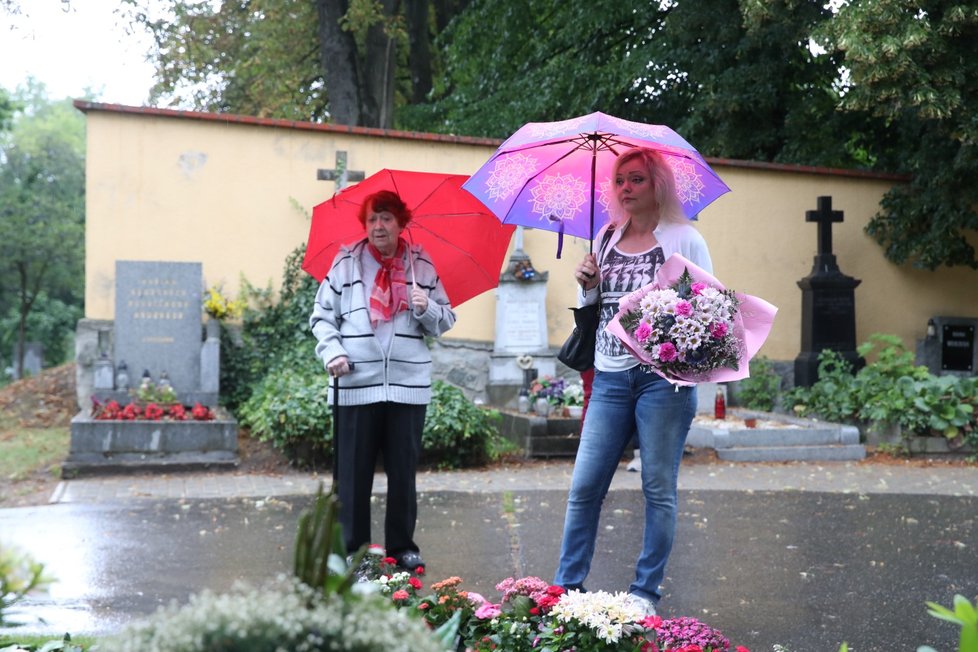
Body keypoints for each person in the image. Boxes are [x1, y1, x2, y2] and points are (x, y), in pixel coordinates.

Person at [554, 147, 713, 615]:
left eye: (637, 179)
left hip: (663, 382)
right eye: (621, 180)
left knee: (658, 488)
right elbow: (591, 312)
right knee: (585, 487)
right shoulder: (604, 238)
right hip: (608, 377)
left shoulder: (684, 239)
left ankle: (644, 593)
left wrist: (669, 313)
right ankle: (566, 589)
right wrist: (586, 284)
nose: (626, 188)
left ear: (657, 185)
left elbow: (708, 311)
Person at [309, 189, 456, 573]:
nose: (378, 226)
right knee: (352, 477)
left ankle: (402, 548)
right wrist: (333, 352)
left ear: (400, 222)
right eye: (372, 219)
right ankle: (353, 552)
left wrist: (428, 309)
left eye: (386, 218)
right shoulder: (345, 264)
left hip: (408, 386)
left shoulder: (420, 266)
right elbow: (321, 317)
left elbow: (446, 322)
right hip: (355, 383)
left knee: (403, 475)